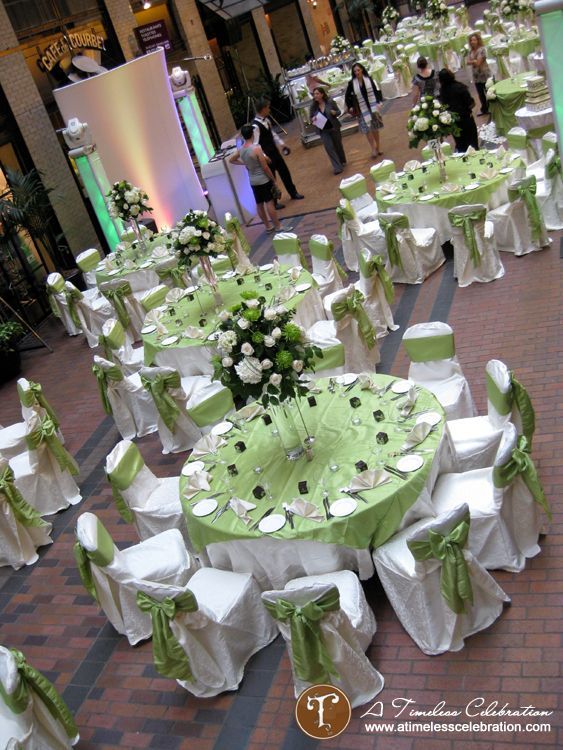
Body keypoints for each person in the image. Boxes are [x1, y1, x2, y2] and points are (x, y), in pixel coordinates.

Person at [229, 124, 290, 234]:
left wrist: (244, 164)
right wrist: (273, 179)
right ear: (252, 134)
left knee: (259, 204)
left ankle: (267, 226)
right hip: (263, 179)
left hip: (253, 181)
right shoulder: (256, 149)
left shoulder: (241, 150)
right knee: (269, 203)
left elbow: (232, 160)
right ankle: (278, 226)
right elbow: (265, 167)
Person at [252, 97, 304, 210]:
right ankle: (274, 202)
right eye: (268, 108)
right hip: (266, 155)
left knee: (285, 172)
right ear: (263, 109)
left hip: (274, 151)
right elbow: (255, 144)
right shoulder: (255, 126)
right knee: (272, 178)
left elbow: (273, 134)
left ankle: (293, 193)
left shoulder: (267, 120)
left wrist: (281, 144)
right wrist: (264, 157)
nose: (269, 110)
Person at [344, 62, 384, 158]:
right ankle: (373, 148)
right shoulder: (352, 83)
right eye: (355, 71)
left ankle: (378, 146)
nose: (357, 72)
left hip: (372, 107)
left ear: (362, 70)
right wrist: (350, 106)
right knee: (367, 130)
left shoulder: (369, 79)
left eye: (358, 70)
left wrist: (379, 101)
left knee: (375, 128)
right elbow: (347, 96)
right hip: (361, 109)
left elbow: (376, 91)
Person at [438, 68, 478, 152]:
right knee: (473, 143)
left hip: (454, 122)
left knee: (460, 144)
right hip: (466, 119)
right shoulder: (460, 87)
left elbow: (443, 106)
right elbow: (471, 103)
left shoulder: (442, 91)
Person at [309, 87, 347, 175]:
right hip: (323, 130)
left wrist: (335, 113)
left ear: (322, 94)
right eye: (314, 94)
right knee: (329, 147)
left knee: (338, 145)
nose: (315, 96)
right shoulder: (313, 106)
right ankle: (337, 167)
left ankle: (341, 160)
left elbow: (338, 112)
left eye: (317, 94)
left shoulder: (330, 102)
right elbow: (310, 118)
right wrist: (313, 119)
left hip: (333, 127)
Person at [467, 33, 491, 116]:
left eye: (474, 40)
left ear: (478, 40)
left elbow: (478, 63)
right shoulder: (470, 51)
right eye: (471, 40)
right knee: (480, 93)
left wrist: (473, 61)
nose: (472, 42)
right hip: (476, 75)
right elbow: (467, 62)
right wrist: (474, 61)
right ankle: (484, 108)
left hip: (484, 73)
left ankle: (491, 107)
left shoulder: (482, 50)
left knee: (488, 91)